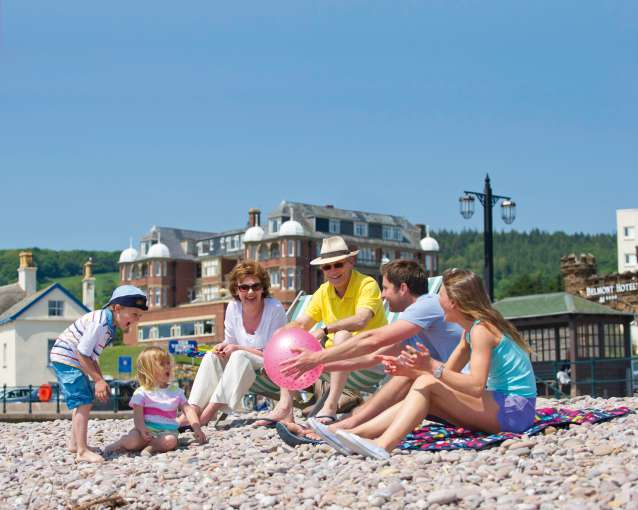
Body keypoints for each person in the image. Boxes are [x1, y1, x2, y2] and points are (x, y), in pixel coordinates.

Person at [313, 268, 537, 460]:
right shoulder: (470, 331)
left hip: (515, 410)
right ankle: (355, 434)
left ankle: (381, 445)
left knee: (427, 381)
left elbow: (475, 386)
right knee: (423, 386)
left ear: (454, 303)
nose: (437, 302)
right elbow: (447, 375)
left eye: (440, 296)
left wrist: (428, 366)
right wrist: (413, 370)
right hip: (502, 406)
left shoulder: (481, 331)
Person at [279, 259, 462, 439]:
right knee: (387, 391)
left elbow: (372, 340)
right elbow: (374, 357)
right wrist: (318, 367)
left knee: (407, 377)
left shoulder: (426, 306)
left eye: (386, 288)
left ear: (404, 289)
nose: (382, 295)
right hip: (445, 390)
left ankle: (342, 430)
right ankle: (340, 429)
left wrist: (316, 358)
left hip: (462, 392)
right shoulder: (413, 322)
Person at [269, 236, 387, 425]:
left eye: (338, 265)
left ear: (350, 262)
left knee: (342, 335)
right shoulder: (324, 291)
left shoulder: (367, 284)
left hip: (371, 360)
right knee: (289, 339)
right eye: (326, 267)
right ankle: (285, 408)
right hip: (334, 360)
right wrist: (282, 333)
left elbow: (361, 320)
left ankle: (331, 405)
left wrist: (325, 329)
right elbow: (301, 324)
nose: (332, 271)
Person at [176, 261, 287, 428]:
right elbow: (230, 343)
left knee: (239, 355)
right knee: (211, 357)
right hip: (241, 364)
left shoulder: (274, 308)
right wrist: (222, 348)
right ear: (236, 290)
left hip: (270, 365)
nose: (250, 292)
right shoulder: (232, 308)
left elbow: (275, 353)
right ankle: (192, 412)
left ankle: (208, 415)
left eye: (256, 286)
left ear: (263, 288)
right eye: (244, 287)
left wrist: (237, 348)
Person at [49, 285, 147, 463]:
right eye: (134, 314)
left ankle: (75, 444)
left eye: (139, 316)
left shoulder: (108, 324)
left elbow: (92, 357)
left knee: (83, 401)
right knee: (83, 401)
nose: (136, 320)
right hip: (67, 358)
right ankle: (81, 451)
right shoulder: (100, 323)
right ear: (117, 308)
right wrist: (98, 380)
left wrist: (101, 380)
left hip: (72, 358)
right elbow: (82, 353)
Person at [105, 347, 206, 455]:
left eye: (168, 363)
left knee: (171, 441)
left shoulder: (176, 392)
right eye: (162, 364)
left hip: (168, 432)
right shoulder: (142, 392)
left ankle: (152, 447)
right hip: (145, 430)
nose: (167, 366)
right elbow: (138, 416)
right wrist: (142, 429)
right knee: (133, 440)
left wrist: (196, 427)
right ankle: (121, 443)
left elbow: (188, 410)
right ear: (149, 370)